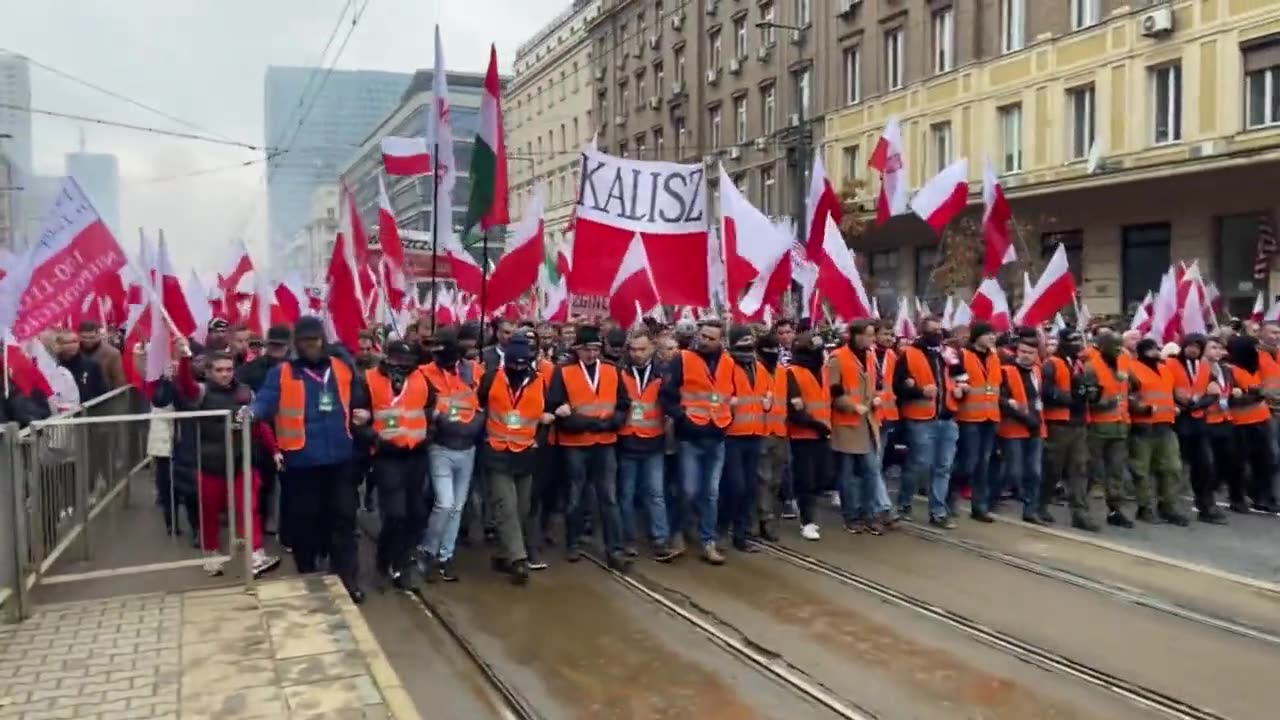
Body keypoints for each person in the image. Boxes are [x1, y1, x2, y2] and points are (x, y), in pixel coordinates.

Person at [246, 315, 369, 602]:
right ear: (296, 343)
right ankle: (309, 574)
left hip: (340, 459)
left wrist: (366, 414)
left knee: (344, 520)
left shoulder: (341, 368)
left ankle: (347, 579)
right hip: (301, 462)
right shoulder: (282, 372)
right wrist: (251, 412)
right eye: (304, 341)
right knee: (305, 523)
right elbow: (266, 400)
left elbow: (358, 399)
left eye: (314, 340)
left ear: (322, 340)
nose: (310, 345)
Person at [172, 345, 280, 577]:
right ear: (209, 371)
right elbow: (185, 385)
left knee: (248, 508)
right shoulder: (200, 392)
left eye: (229, 369)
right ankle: (211, 554)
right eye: (219, 370)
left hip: (242, 461)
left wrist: (275, 451)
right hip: (211, 465)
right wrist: (184, 360)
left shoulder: (245, 393)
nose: (225, 374)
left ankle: (255, 554)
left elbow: (259, 424)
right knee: (209, 511)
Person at [546, 325, 632, 570]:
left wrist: (614, 421)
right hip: (575, 443)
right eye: (586, 349)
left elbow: (624, 404)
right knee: (575, 496)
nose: (591, 354)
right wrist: (588, 423)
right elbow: (555, 407)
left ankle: (615, 549)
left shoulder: (612, 370)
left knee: (609, 498)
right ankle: (573, 542)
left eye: (595, 349)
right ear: (577, 350)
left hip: (605, 443)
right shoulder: (563, 372)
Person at [477, 334, 550, 585]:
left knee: (521, 509)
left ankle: (502, 552)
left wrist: (540, 435)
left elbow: (545, 414)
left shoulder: (540, 382)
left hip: (526, 453)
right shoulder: (489, 379)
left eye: (523, 363)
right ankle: (519, 560)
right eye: (514, 363)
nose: (518, 368)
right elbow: (477, 409)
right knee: (505, 506)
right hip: (496, 451)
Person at [660, 319, 735, 564]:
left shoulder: (728, 362)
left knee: (711, 493)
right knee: (688, 490)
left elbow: (729, 393)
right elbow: (667, 396)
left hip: (717, 435)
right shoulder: (682, 359)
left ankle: (707, 541)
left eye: (711, 338)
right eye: (703, 336)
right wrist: (682, 418)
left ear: (720, 341)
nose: (704, 341)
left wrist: (729, 413)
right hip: (690, 436)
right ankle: (677, 533)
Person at [363, 340, 433, 589]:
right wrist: (375, 440)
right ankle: (386, 559)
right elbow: (357, 418)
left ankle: (403, 563)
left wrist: (429, 434)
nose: (400, 365)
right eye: (396, 359)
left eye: (406, 360)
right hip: (387, 457)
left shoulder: (422, 378)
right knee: (395, 514)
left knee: (416, 514)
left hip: (416, 455)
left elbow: (431, 408)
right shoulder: (369, 379)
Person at [418, 327, 485, 582]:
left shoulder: (474, 371)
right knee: (444, 503)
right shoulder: (424, 373)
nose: (438, 358)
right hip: (441, 447)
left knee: (457, 507)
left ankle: (445, 557)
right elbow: (419, 407)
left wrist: (477, 422)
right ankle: (427, 550)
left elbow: (484, 401)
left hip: (467, 447)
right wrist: (433, 417)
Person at [617, 330, 678, 561]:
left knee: (655, 493)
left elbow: (671, 402)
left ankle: (660, 539)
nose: (637, 354)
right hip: (628, 441)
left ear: (652, 349)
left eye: (642, 349)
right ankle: (629, 539)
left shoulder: (663, 375)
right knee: (627, 494)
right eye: (633, 349)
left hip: (653, 441)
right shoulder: (620, 373)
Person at [894, 317, 960, 528]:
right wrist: (919, 391)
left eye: (940, 331)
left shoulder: (948, 354)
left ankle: (938, 511)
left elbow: (961, 376)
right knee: (919, 464)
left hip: (947, 418)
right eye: (933, 331)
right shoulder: (909, 355)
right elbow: (898, 387)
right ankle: (904, 503)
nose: (938, 334)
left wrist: (961, 388)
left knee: (943, 467)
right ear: (923, 332)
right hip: (921, 419)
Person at [829, 321, 887, 534]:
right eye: (869, 336)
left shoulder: (870, 358)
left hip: (868, 423)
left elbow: (874, 386)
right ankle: (851, 516)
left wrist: (876, 399)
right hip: (846, 424)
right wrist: (852, 406)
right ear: (856, 336)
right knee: (846, 475)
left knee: (871, 471)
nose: (872, 340)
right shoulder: (837, 359)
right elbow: (833, 392)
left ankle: (869, 513)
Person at [1127, 338, 1189, 525]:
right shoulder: (1132, 369)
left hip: (1165, 425)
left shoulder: (1164, 370)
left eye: (1156, 349)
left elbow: (1168, 394)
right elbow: (1127, 395)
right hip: (1143, 427)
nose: (1155, 353)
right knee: (1142, 470)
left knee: (1172, 468)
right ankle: (1144, 507)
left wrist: (1177, 407)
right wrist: (1141, 409)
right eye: (1151, 350)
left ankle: (1168, 505)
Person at [722, 326, 771, 552]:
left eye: (751, 341)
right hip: (732, 435)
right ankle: (722, 527)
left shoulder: (759, 367)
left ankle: (741, 534)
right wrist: (726, 402)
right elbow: (716, 394)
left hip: (754, 434)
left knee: (749, 487)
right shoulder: (726, 366)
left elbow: (766, 394)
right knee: (735, 486)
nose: (748, 345)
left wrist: (767, 402)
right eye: (743, 341)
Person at [1040, 329, 1094, 529]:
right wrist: (1068, 398)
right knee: (1053, 468)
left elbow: (1086, 390)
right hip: (1059, 423)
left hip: (1078, 423)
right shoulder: (1052, 364)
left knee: (1079, 469)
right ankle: (1040, 505)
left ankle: (1080, 513)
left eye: (1078, 340)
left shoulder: (1079, 364)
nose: (1077, 344)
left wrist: (1090, 393)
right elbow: (1045, 391)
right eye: (1072, 341)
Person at [1083, 332, 1135, 528]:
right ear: (1103, 347)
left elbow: (1133, 388)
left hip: (1119, 427)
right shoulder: (1092, 367)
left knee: (1116, 472)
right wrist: (1110, 402)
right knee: (1092, 471)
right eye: (1114, 346)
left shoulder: (1122, 365)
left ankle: (1115, 510)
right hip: (1098, 428)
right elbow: (1091, 401)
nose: (1118, 350)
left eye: (1120, 346)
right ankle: (1082, 508)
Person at [954, 323, 1002, 523]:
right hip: (969, 418)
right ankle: (949, 495)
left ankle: (979, 507)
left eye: (993, 334)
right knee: (968, 464)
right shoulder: (963, 356)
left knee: (983, 463)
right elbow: (956, 381)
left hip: (990, 417)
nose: (992, 338)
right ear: (977, 336)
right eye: (988, 334)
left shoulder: (994, 357)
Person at [785, 332, 831, 541]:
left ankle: (795, 500)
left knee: (821, 478)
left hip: (822, 433)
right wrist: (814, 424)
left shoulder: (823, 371)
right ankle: (807, 520)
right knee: (806, 479)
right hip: (801, 434)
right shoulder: (792, 372)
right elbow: (794, 409)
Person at [1226, 334, 1279, 513]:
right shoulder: (1230, 370)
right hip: (1240, 423)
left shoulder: (1255, 368)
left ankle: (1263, 497)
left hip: (1262, 420)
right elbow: (1231, 398)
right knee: (1239, 463)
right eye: (1254, 348)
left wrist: (1258, 394)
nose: (1257, 351)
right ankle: (1237, 497)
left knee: (1266, 461)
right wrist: (1255, 396)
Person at [998, 334, 1046, 524]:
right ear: (1017, 351)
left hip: (1036, 428)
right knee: (1014, 472)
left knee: (1034, 472)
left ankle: (1030, 510)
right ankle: (990, 497)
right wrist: (1013, 407)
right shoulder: (1006, 370)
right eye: (1023, 352)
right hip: (1013, 428)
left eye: (1030, 353)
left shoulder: (1037, 371)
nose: (1026, 356)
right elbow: (999, 398)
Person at [755, 332, 788, 541]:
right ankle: (763, 519)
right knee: (762, 478)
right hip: (759, 432)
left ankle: (768, 516)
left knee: (775, 479)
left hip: (779, 431)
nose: (773, 354)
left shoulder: (783, 372)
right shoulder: (754, 370)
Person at [77, 320, 126, 390]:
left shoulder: (112, 353)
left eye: (91, 337)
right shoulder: (74, 351)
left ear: (98, 336)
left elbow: (119, 382)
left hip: (104, 396)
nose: (87, 340)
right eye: (84, 337)